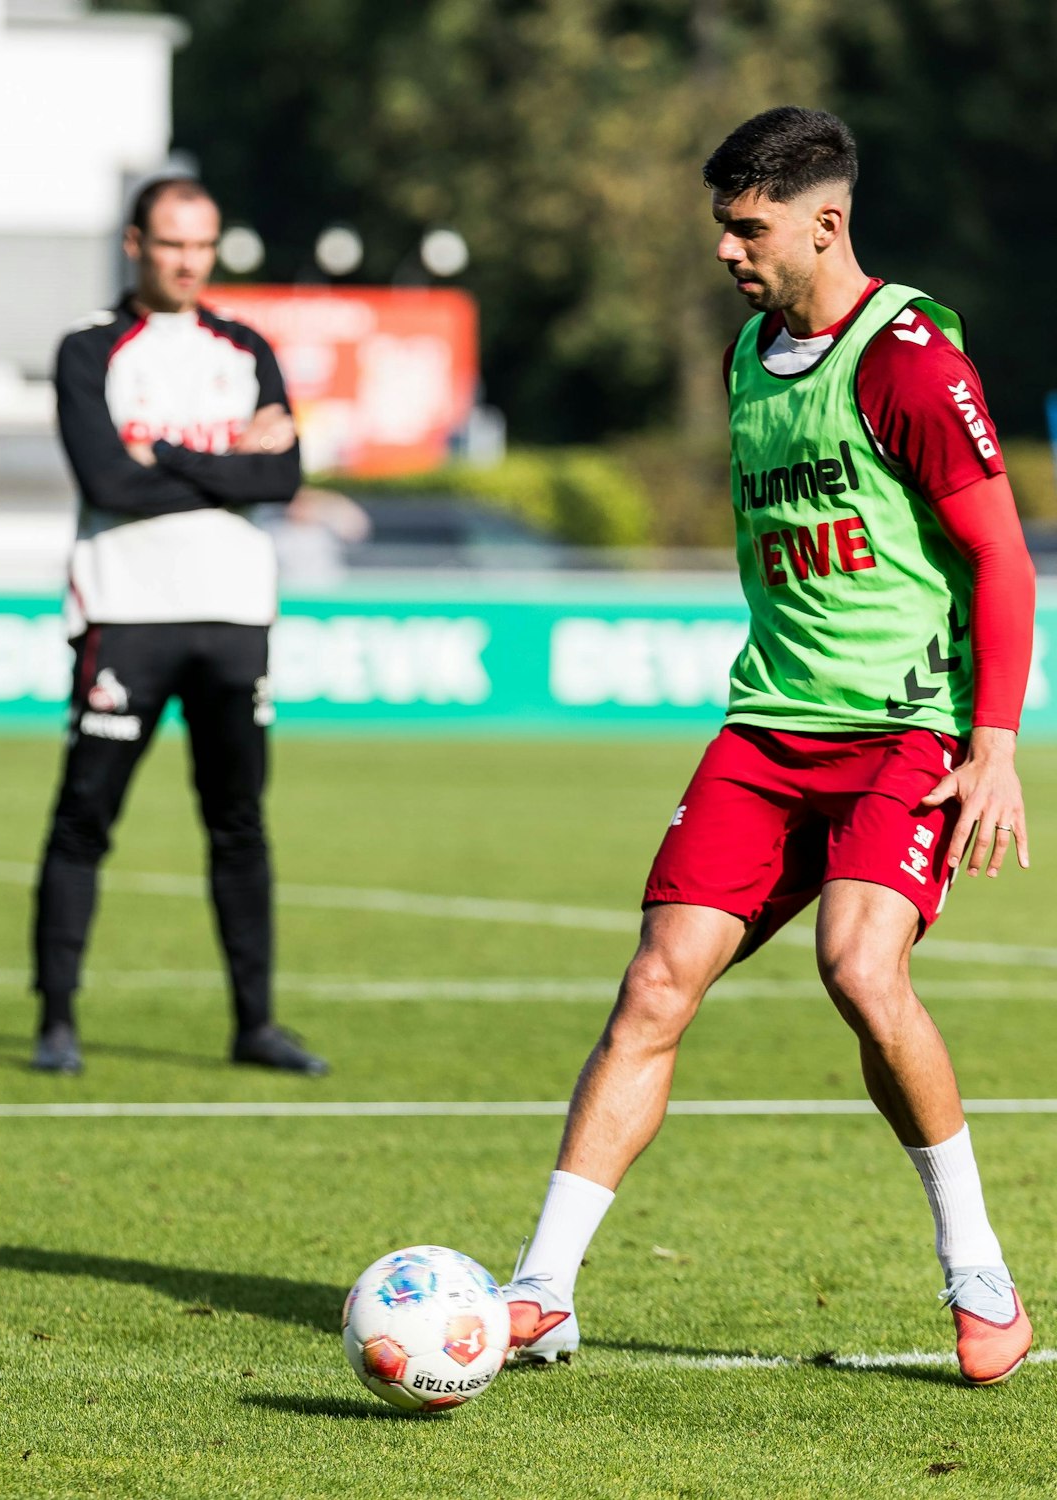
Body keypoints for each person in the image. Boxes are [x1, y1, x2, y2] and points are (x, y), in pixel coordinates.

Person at [500, 108, 1036, 1385]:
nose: (730, 252)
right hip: (764, 730)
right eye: (722, 228)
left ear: (823, 222)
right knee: (652, 986)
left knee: (859, 969)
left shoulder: (906, 360)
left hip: (902, 732)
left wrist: (997, 744)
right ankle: (541, 1291)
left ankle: (979, 1277)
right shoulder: (751, 354)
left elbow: (1001, 557)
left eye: (748, 228)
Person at [31, 177, 324, 1077]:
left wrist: (161, 451)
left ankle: (255, 1024)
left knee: (239, 821)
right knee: (86, 816)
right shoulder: (90, 350)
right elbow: (105, 485)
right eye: (171, 244)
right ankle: (57, 1023)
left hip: (235, 615)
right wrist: (231, 458)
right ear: (136, 245)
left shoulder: (245, 349)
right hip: (126, 614)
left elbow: (282, 481)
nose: (188, 261)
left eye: (202, 245)